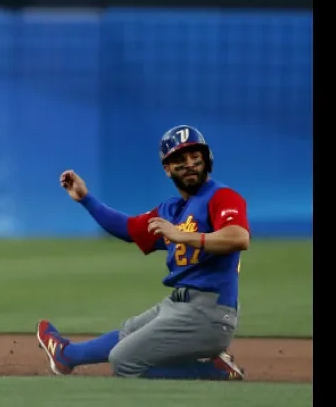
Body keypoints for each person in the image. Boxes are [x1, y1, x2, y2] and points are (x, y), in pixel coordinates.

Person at [36, 125, 249, 380]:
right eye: (179, 159)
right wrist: (85, 198)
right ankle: (67, 356)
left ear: (207, 158)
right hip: (179, 305)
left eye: (195, 156)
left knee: (123, 361)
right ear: (167, 169)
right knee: (129, 331)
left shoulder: (222, 197)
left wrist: (184, 236)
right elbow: (128, 229)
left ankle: (212, 371)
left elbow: (239, 237)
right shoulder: (171, 210)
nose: (190, 163)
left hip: (210, 312)